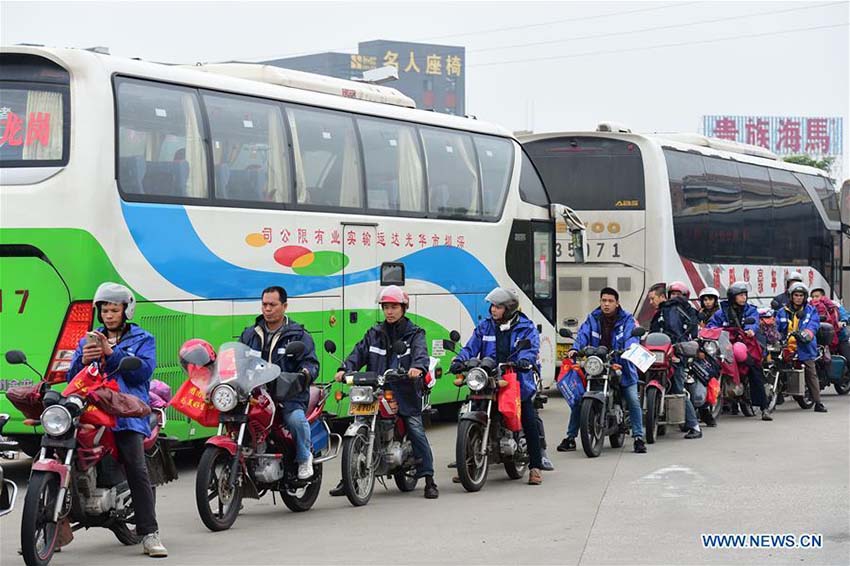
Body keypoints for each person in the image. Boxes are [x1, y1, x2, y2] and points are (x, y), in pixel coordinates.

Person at [67, 282, 167, 557]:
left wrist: (111, 354)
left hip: (126, 412)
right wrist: (82, 360)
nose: (109, 315)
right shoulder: (87, 339)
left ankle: (150, 534)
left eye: (114, 309)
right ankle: (54, 524)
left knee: (137, 468)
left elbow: (141, 374)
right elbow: (72, 377)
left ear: (126, 311)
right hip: (90, 410)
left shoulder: (143, 339)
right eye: (105, 310)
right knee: (60, 451)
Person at [332, 286, 439, 499]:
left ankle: (429, 479)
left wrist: (417, 368)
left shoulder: (415, 333)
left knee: (415, 427)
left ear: (403, 308)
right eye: (386, 307)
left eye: (394, 307)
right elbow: (358, 353)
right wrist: (345, 368)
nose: (389, 312)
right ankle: (349, 479)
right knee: (358, 420)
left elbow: (421, 354)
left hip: (404, 390)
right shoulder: (374, 333)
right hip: (375, 388)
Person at [449, 288, 545, 485]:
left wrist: (524, 361)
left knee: (528, 417)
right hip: (488, 377)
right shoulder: (485, 326)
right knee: (470, 411)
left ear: (509, 309)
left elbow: (531, 350)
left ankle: (535, 466)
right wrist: (459, 360)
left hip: (515, 379)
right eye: (492, 306)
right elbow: (470, 347)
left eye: (498, 307)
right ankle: (466, 463)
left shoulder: (526, 327)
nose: (493, 310)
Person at [239, 286, 319, 480]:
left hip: (288, 395)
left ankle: (304, 457)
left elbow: (311, 363)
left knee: (295, 420)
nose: (267, 309)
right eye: (264, 304)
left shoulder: (298, 335)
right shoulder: (250, 334)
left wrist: (303, 375)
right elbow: (238, 359)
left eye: (272, 305)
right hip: (256, 396)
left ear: (284, 306)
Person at [558, 287, 647, 454]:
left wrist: (628, 349)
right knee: (579, 399)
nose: (606, 304)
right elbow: (583, 334)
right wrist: (575, 348)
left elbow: (632, 336)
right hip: (597, 364)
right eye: (603, 300)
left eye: (610, 301)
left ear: (617, 303)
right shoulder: (593, 318)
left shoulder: (627, 319)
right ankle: (570, 438)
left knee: (633, 399)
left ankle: (638, 438)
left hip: (622, 365)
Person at [707, 281, 773, 421]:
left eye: (745, 295)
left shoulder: (751, 310)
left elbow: (754, 322)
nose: (744, 298)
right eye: (740, 295)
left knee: (754, 369)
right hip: (725, 346)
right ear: (732, 297)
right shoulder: (721, 312)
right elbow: (711, 325)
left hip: (746, 345)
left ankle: (764, 408)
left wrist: (751, 331)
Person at [648, 282, 703, 438]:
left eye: (653, 299)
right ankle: (655, 423)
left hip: (674, 356)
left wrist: (673, 349)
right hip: (659, 356)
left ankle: (695, 427)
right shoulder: (661, 312)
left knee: (677, 390)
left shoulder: (670, 310)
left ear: (662, 297)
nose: (651, 302)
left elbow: (673, 332)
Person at [776, 283, 827, 413]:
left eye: (801, 295)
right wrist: (772, 333)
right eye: (796, 295)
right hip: (785, 344)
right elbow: (776, 327)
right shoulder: (782, 311)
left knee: (811, 372)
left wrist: (807, 334)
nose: (798, 298)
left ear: (804, 297)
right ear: (791, 296)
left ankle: (818, 402)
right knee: (772, 364)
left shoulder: (811, 310)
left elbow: (813, 325)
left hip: (804, 345)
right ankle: (776, 394)